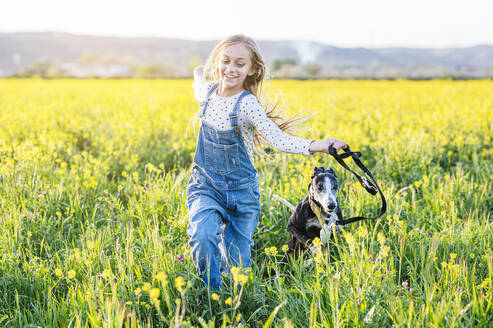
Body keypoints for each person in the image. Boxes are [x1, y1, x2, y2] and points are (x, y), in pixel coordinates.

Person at [186, 34, 347, 290]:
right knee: (203, 235)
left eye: (240, 63)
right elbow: (198, 90)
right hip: (206, 186)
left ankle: (236, 299)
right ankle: (210, 296)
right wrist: (198, 76)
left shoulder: (247, 104)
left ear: (251, 69)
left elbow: (278, 139)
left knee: (239, 267)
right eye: (225, 61)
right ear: (218, 61)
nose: (230, 68)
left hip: (241, 193)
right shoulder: (207, 94)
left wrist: (318, 145)